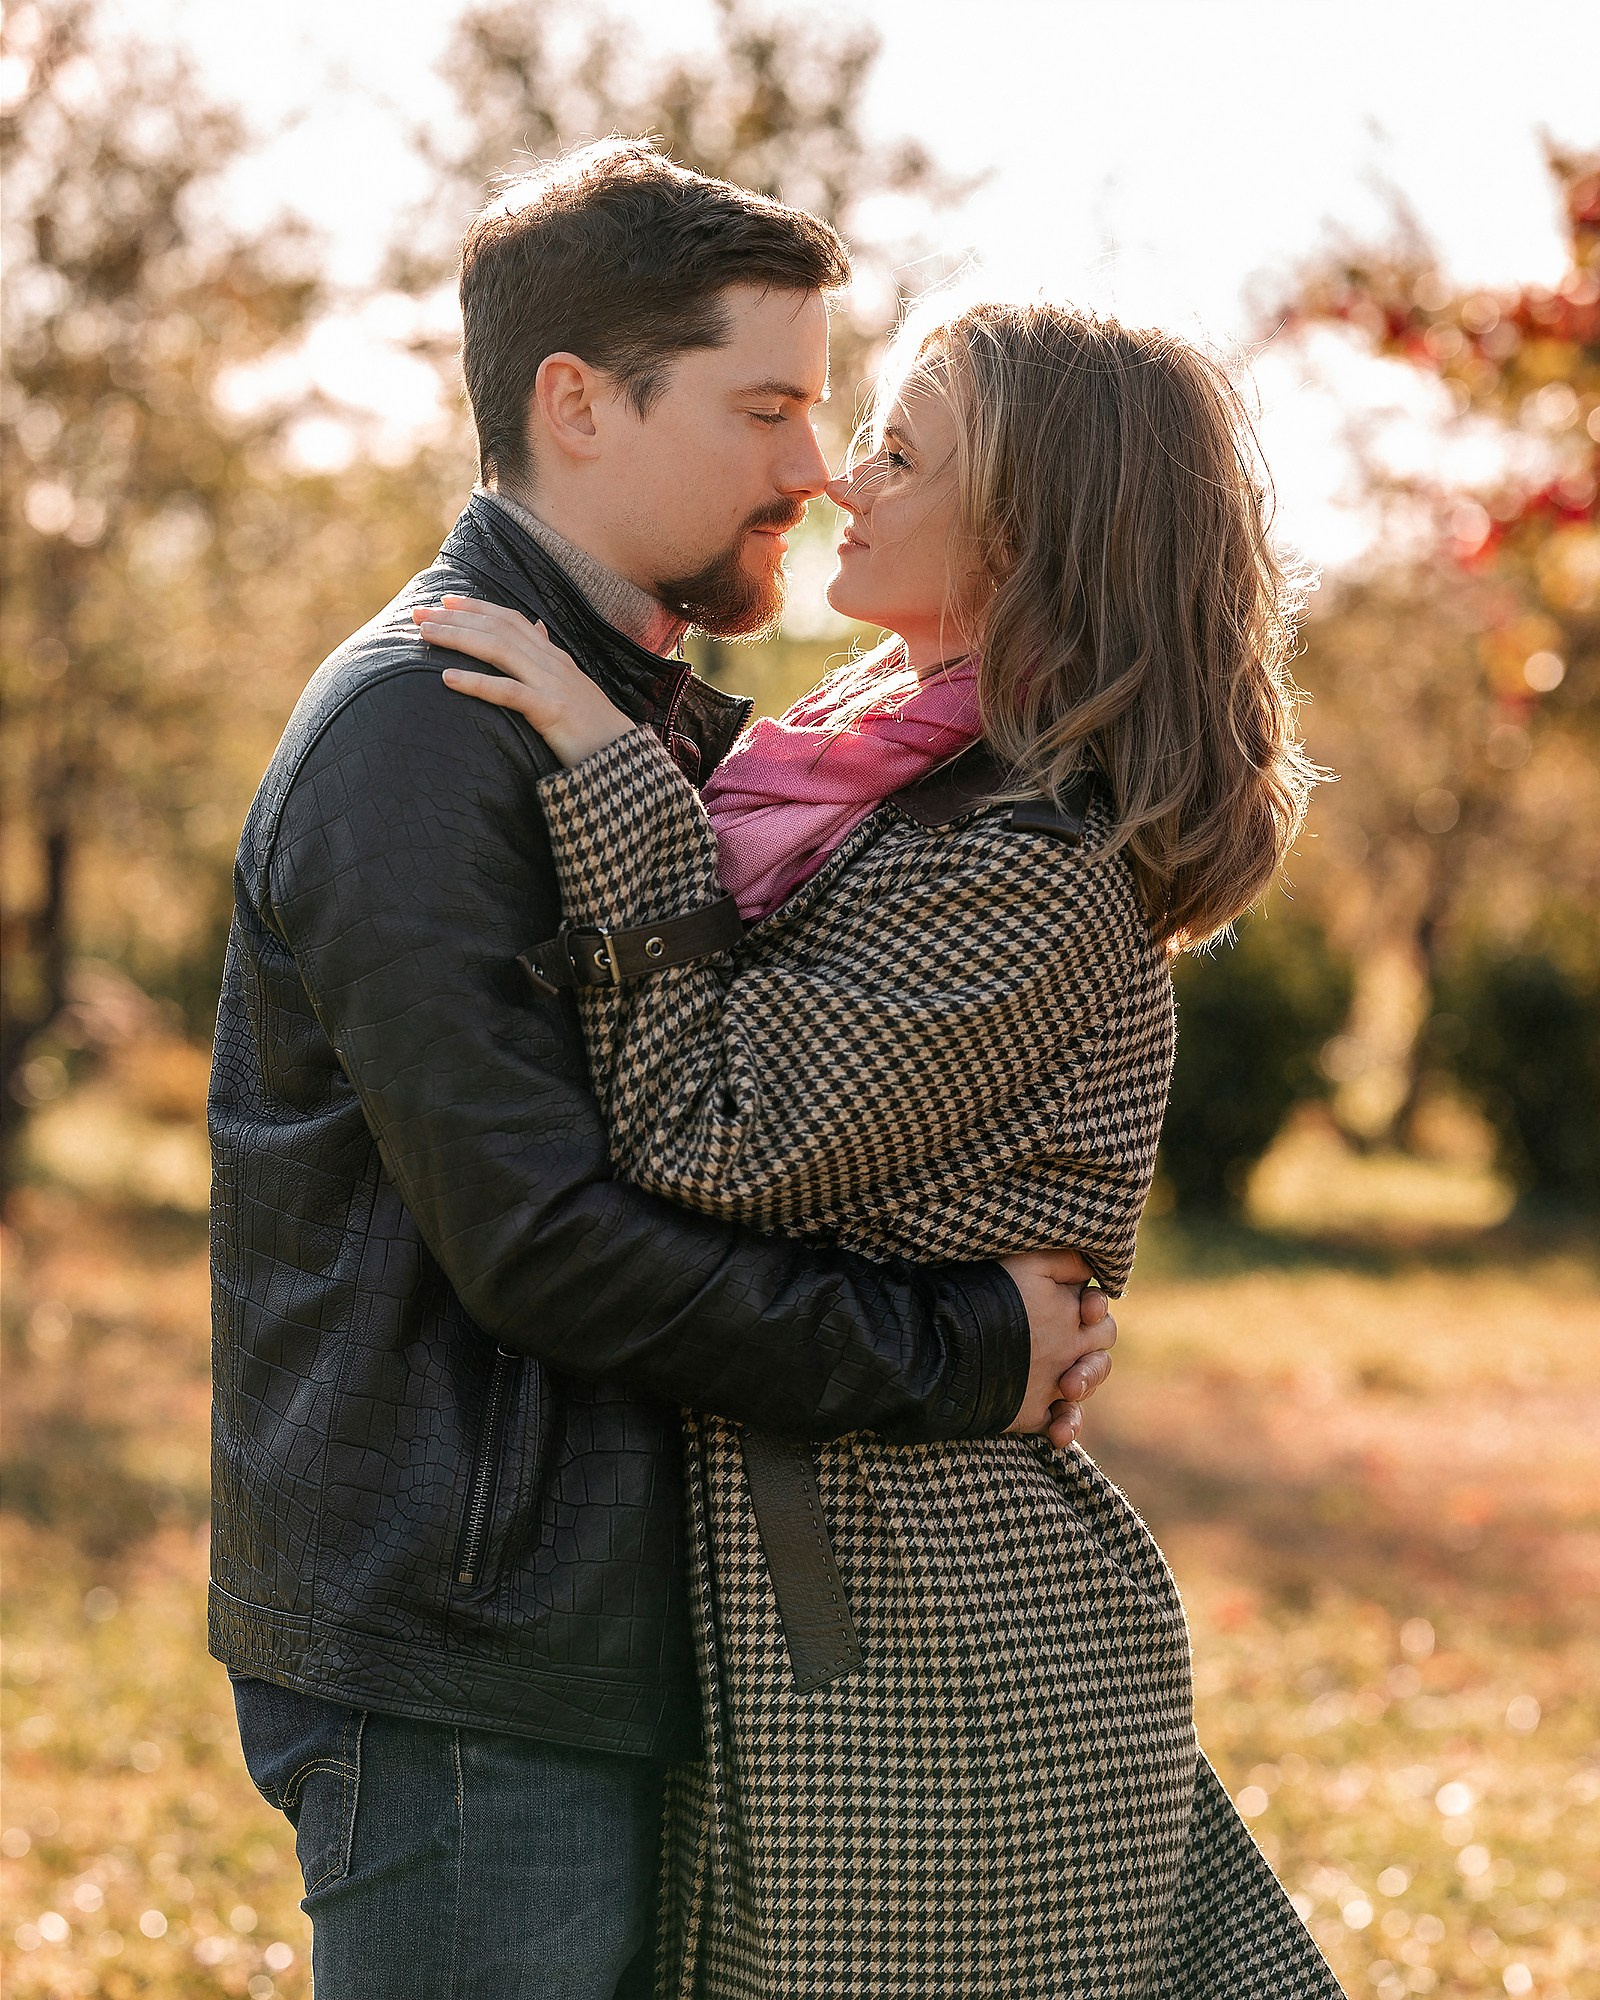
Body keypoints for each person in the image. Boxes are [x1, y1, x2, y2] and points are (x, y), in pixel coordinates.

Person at [210, 141, 1116, 2000]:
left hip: (606, 1630)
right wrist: (962, 1352)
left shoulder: (651, 725)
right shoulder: (425, 739)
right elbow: (541, 1245)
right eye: (766, 408)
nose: (815, 465)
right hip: (470, 1650)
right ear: (578, 404)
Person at [414, 295, 1343, 1997]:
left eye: (902, 455)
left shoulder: (1027, 860)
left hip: (933, 1643)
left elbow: (716, 1130)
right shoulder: (860, 775)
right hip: (839, 1591)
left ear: (1028, 538)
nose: (844, 480)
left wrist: (608, 773)